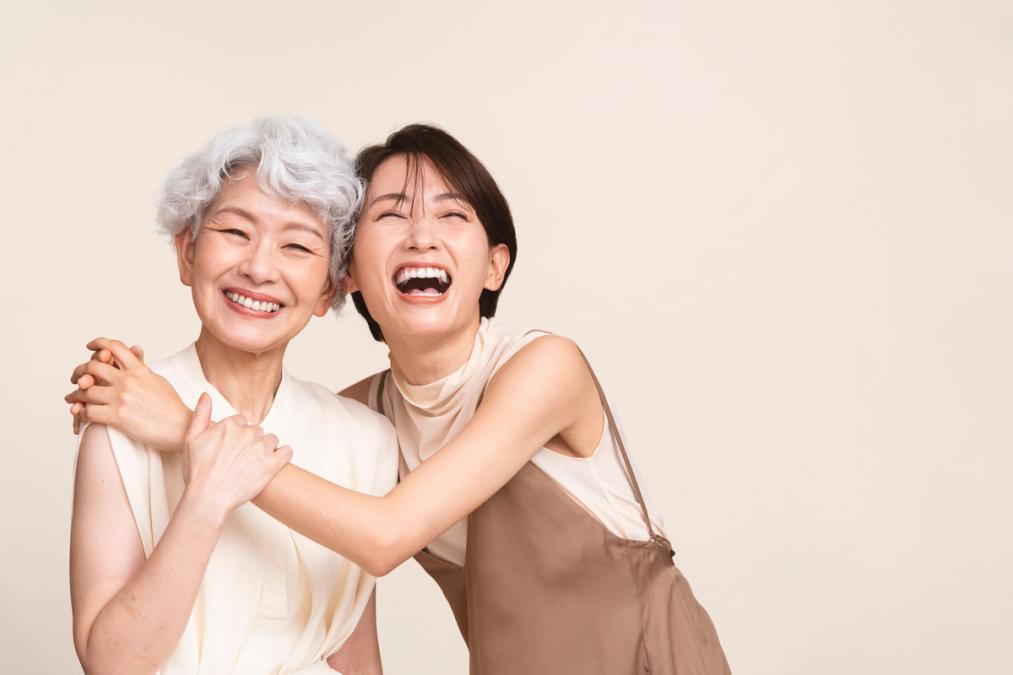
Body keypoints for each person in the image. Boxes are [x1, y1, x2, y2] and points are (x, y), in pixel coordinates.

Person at [68, 124, 731, 674]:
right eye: (391, 214)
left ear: (495, 266)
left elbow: (382, 538)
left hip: (647, 659)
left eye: (451, 214)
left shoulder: (543, 368)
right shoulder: (361, 420)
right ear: (351, 275)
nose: (420, 236)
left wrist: (187, 427)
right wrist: (140, 399)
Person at [68, 118, 397, 675]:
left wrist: (192, 436)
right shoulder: (119, 415)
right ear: (186, 253)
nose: (260, 267)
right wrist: (207, 497)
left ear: (328, 290)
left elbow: (353, 653)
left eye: (296, 245)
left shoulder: (364, 437)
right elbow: (112, 664)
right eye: (235, 232)